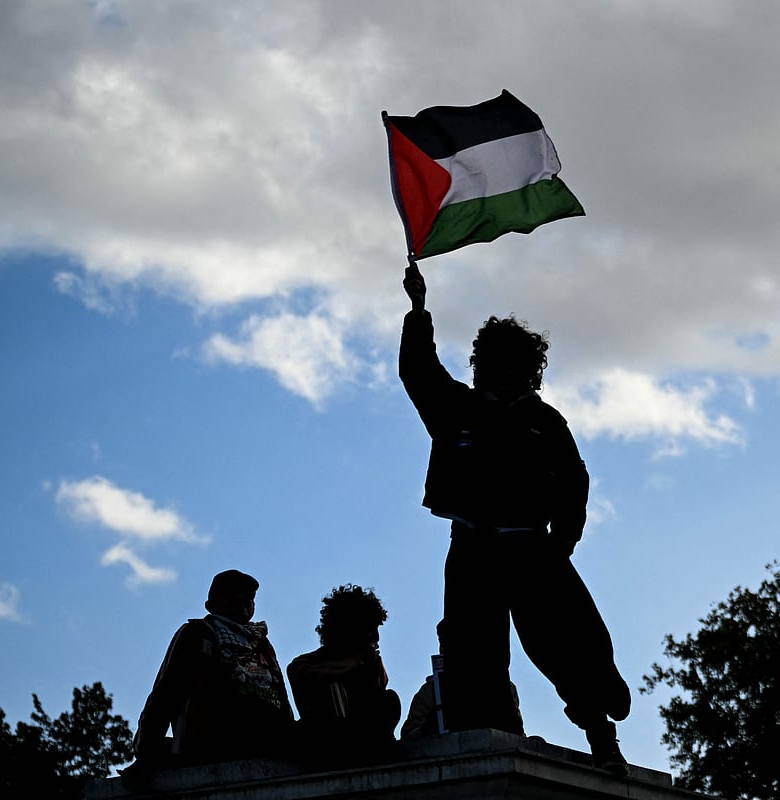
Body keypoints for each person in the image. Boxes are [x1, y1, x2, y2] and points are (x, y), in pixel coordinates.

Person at [399, 263, 631, 774]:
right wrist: (418, 310)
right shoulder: (455, 407)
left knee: (570, 645)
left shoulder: (545, 423)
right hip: (472, 549)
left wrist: (560, 545)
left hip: (532, 550)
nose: (504, 376)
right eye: (495, 365)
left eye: (516, 369)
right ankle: (486, 738)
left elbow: (575, 485)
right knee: (470, 648)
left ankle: (601, 735)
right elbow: (419, 371)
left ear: (530, 373)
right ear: (481, 365)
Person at [124, 570, 294, 786]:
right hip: (213, 743)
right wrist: (146, 753)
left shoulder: (262, 643)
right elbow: (165, 694)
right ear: (211, 603)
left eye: (248, 597)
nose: (242, 601)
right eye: (232, 594)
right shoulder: (197, 633)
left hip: (268, 743)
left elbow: (280, 695)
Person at [287, 584, 401, 766]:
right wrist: (354, 662)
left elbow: (379, 702)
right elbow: (307, 676)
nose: (376, 638)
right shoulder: (305, 664)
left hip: (366, 745)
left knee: (389, 700)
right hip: (327, 747)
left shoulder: (369, 663)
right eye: (370, 629)